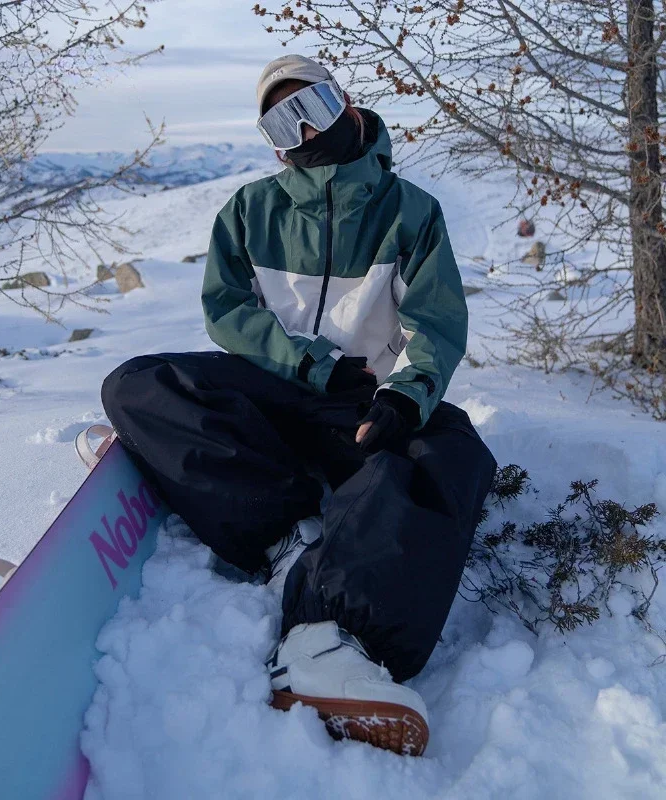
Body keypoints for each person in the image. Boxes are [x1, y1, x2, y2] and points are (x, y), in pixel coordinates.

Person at [100, 54, 498, 756]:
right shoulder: (252, 211)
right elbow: (226, 310)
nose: (306, 128)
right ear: (275, 141)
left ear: (345, 101)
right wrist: (305, 361)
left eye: (312, 104)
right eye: (284, 119)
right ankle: (286, 538)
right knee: (138, 383)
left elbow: (436, 323)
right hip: (284, 389)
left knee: (451, 452)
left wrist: (405, 395)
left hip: (366, 405)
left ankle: (327, 639)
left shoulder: (409, 213)